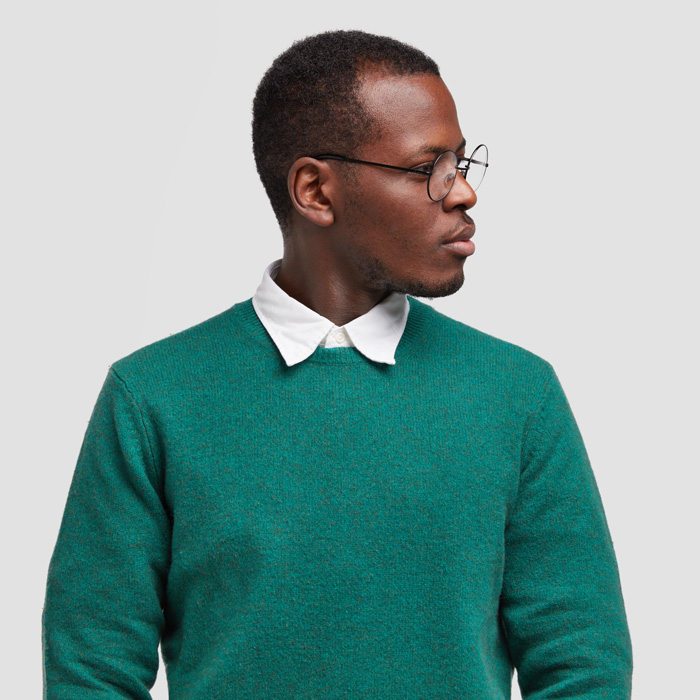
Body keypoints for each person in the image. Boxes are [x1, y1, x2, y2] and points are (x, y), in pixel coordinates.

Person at [42, 29, 633, 700]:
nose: (463, 193)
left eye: (462, 163)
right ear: (315, 191)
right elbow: (92, 671)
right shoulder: (153, 398)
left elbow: (583, 665)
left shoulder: (517, 393)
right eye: (428, 168)